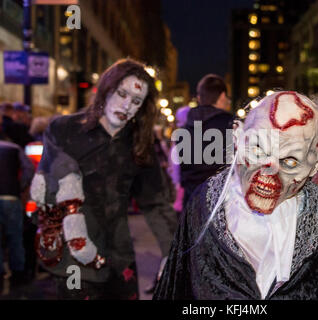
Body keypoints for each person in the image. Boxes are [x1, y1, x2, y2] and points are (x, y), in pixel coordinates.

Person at [154, 91, 318, 300]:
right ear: (238, 138)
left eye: (290, 162)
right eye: (258, 150)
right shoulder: (204, 204)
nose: (268, 172)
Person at [29, 59, 177, 300]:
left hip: (119, 261)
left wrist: (171, 253)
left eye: (136, 101)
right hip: (73, 261)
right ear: (107, 89)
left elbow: (156, 202)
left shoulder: (139, 144)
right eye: (122, 93)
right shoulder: (64, 129)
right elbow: (45, 187)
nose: (127, 105)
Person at [179, 74, 233, 207]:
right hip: (221, 206)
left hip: (191, 205)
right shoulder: (230, 124)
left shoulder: (185, 127)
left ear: (199, 98)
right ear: (222, 96)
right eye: (227, 98)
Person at [0, 109, 35, 296]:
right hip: (11, 197)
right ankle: (18, 273)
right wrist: (19, 187)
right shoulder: (13, 148)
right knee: (15, 237)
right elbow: (28, 170)